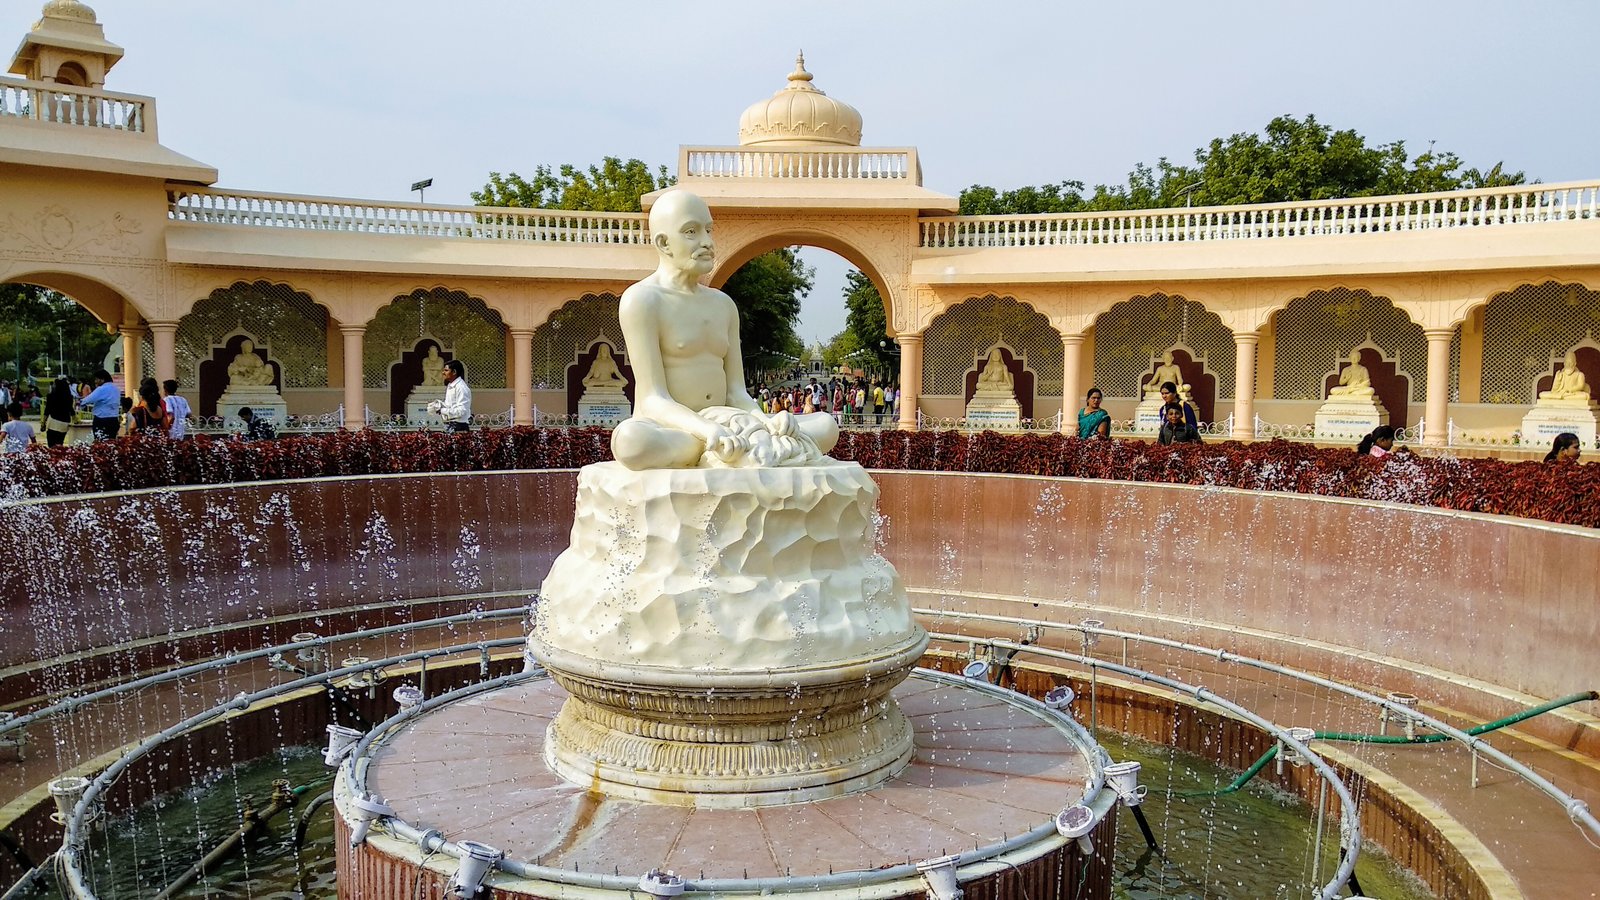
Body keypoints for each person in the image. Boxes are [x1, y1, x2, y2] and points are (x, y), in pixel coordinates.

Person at [609, 190, 837, 469]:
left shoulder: (723, 305)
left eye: (708, 230)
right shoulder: (642, 300)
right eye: (691, 232)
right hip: (670, 426)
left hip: (727, 420)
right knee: (631, 443)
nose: (707, 242)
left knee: (826, 426)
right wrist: (706, 430)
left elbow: (735, 393)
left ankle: (728, 447)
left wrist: (766, 419)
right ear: (664, 243)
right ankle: (724, 446)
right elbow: (653, 399)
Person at [427, 359, 473, 432]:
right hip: (450, 425)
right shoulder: (451, 385)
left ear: (454, 372)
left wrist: (442, 410)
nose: (443, 373)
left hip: (459, 426)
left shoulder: (461, 388)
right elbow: (450, 406)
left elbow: (461, 411)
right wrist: (439, 405)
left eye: (446, 370)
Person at [78, 370, 121, 441]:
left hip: (102, 420)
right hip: (114, 419)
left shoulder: (101, 389)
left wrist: (80, 402)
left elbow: (88, 399)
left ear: (102, 379)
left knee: (100, 442)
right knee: (111, 442)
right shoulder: (116, 389)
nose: (95, 381)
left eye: (96, 379)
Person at [42, 378, 74, 447]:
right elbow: (71, 410)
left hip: (53, 422)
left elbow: (47, 410)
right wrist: (75, 419)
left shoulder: (51, 396)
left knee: (51, 444)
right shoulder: (69, 397)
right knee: (60, 442)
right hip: (64, 423)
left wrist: (43, 423)